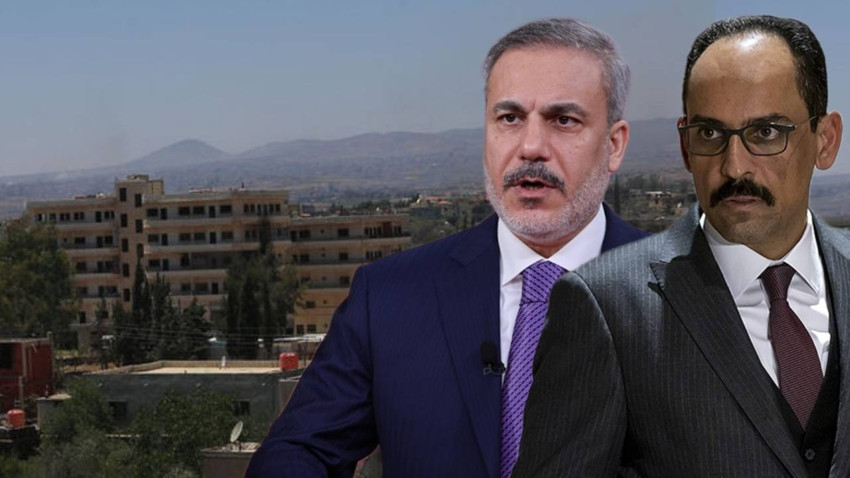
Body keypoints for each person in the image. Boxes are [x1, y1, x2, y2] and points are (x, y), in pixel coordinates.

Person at [246, 18, 646, 478]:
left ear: (614, 145)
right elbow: (300, 452)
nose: (531, 147)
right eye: (510, 118)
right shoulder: (389, 297)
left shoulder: (685, 295)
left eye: (563, 120)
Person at [515, 15, 849, 478]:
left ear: (825, 140)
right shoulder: (607, 309)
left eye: (766, 133)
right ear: (686, 146)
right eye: (710, 134)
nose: (735, 167)